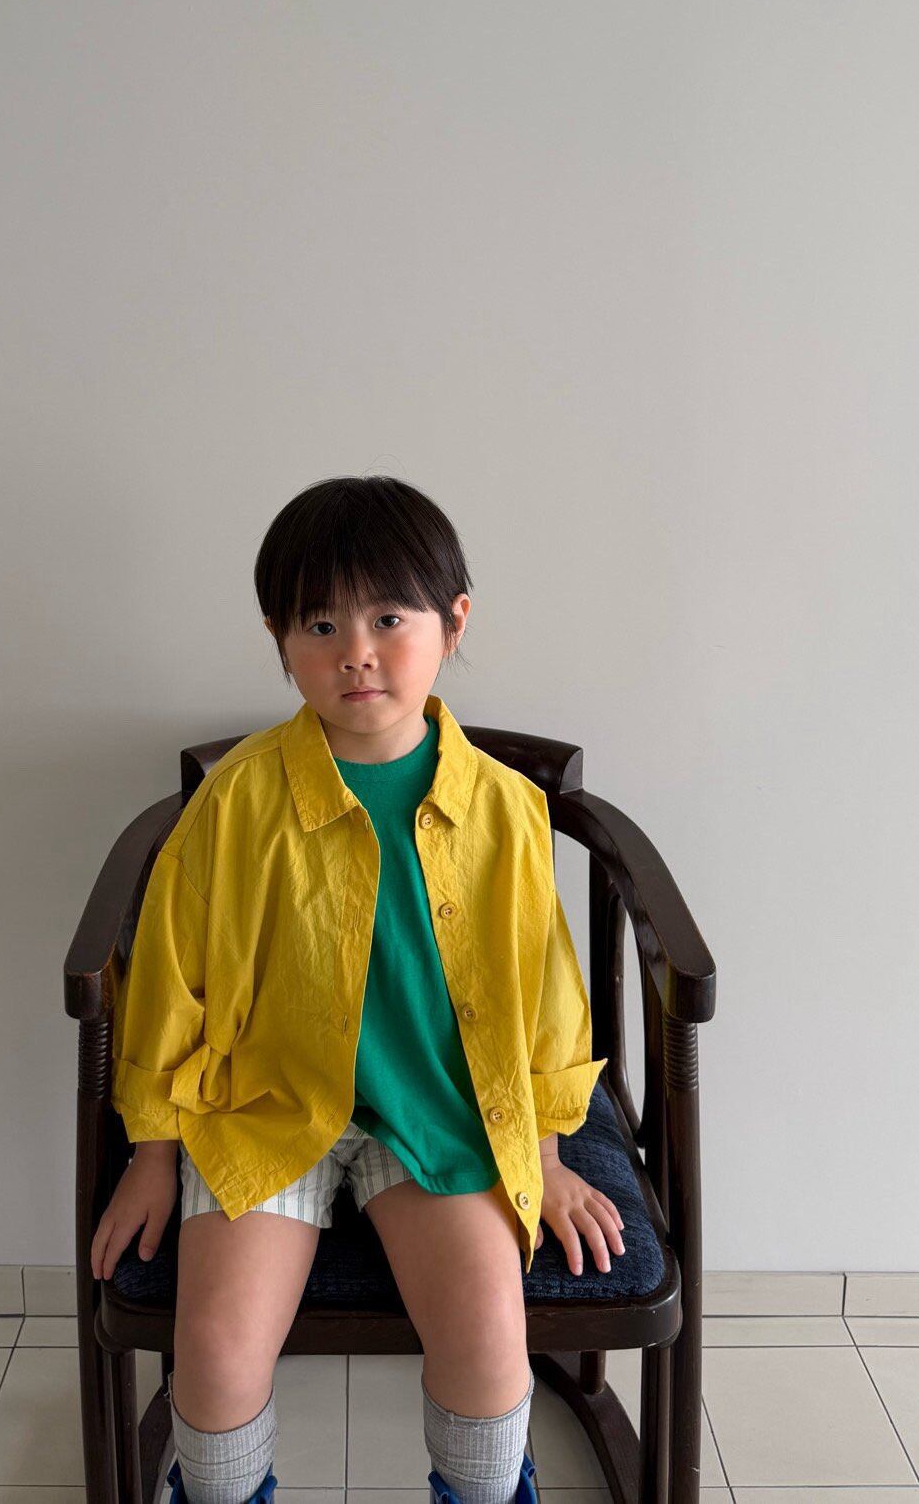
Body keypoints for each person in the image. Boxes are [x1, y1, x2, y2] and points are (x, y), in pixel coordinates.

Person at [89, 475, 624, 1504]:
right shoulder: (235, 802)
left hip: (441, 1111)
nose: (356, 653)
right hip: (266, 1104)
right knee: (215, 1349)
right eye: (321, 625)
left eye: (388, 618)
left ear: (452, 622)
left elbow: (546, 988)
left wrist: (549, 1153)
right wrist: (151, 1157)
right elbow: (170, 978)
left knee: (487, 1335)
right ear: (279, 640)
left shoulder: (505, 809)